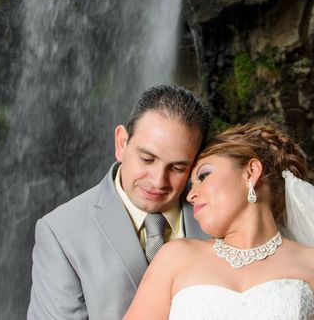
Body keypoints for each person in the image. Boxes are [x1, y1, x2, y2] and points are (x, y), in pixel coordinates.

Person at [123, 123, 314, 320]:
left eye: (204, 175)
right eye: (191, 186)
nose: (192, 194)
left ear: (251, 172)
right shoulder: (175, 257)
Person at [27, 84, 213, 320]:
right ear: (121, 143)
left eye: (177, 167)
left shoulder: (224, 216)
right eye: (147, 159)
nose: (158, 181)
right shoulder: (60, 232)